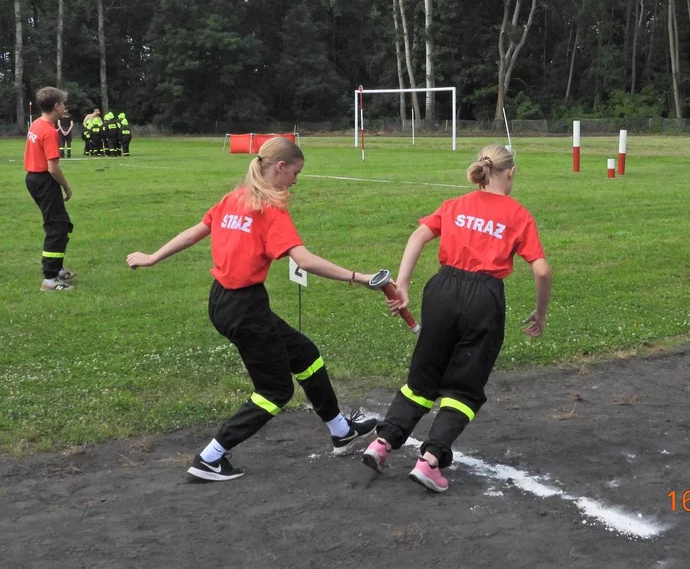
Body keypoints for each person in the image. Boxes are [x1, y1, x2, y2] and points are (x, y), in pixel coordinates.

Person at [126, 137, 379, 481]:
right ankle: (210, 458)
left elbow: (195, 232)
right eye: (295, 172)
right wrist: (359, 278)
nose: (296, 181)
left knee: (304, 354)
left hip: (224, 301)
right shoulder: (269, 210)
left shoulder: (234, 198)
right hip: (245, 308)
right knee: (275, 391)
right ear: (280, 167)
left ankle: (341, 430)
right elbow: (304, 260)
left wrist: (153, 257)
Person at [362, 144, 552, 493]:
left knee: (424, 376)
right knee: (465, 385)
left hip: (442, 290)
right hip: (484, 297)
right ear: (511, 172)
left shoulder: (455, 204)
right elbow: (541, 270)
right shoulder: (518, 214)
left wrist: (403, 284)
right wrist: (540, 313)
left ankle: (383, 442)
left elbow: (418, 235)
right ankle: (431, 460)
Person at [24, 87, 77, 291]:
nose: (65, 107)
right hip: (44, 180)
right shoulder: (49, 131)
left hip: (33, 179)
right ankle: (50, 279)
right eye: (63, 103)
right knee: (56, 228)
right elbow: (53, 168)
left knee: (61, 224)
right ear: (56, 106)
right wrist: (66, 187)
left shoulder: (36, 124)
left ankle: (57, 268)